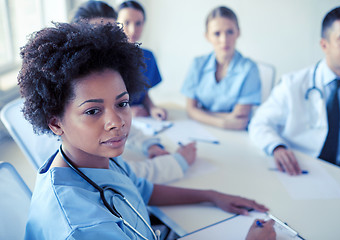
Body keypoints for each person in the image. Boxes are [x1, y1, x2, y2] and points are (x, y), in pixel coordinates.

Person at [21, 22, 275, 240]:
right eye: (92, 111)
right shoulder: (82, 228)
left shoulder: (96, 158)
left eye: (122, 104)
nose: (117, 122)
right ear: (55, 123)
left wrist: (213, 195)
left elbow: (140, 189)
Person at [70, 0, 196, 184]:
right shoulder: (74, 96)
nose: (106, 47)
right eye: (97, 38)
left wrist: (150, 145)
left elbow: (116, 123)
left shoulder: (103, 76)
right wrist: (178, 162)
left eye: (111, 37)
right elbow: (116, 175)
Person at [249, 6, 340, 175]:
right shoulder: (292, 84)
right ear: (324, 44)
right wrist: (277, 147)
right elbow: (259, 123)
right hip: (304, 167)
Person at [181, 6, 261, 130]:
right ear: (207, 36)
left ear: (238, 32)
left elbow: (240, 119)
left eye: (229, 32)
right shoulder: (197, 64)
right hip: (201, 129)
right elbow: (190, 109)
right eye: (217, 33)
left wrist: (200, 112)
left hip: (236, 136)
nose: (224, 40)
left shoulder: (249, 69)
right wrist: (223, 122)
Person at [117, 0, 167, 120]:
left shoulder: (148, 57)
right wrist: (126, 110)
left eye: (138, 23)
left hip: (142, 120)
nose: (133, 29)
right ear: (115, 22)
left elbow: (143, 93)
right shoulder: (105, 57)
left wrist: (152, 108)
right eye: (126, 22)